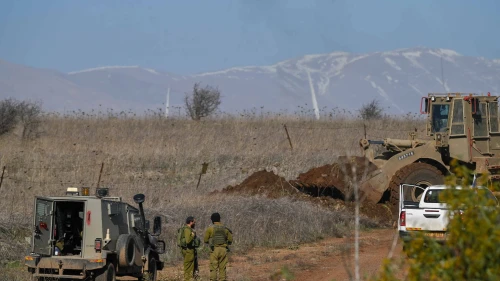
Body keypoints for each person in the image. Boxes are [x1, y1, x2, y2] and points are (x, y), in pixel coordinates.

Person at [204, 212, 233, 281]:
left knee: (213, 268)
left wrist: (210, 242)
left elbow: (205, 240)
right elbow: (230, 240)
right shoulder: (225, 229)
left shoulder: (210, 229)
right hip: (223, 250)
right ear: (219, 219)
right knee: (222, 267)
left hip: (214, 250)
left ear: (212, 220)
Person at [181, 216, 200, 281]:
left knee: (192, 267)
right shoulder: (187, 230)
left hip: (190, 251)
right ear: (191, 222)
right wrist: (192, 235)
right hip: (189, 251)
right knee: (188, 268)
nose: (195, 223)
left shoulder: (187, 229)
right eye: (194, 222)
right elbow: (188, 240)